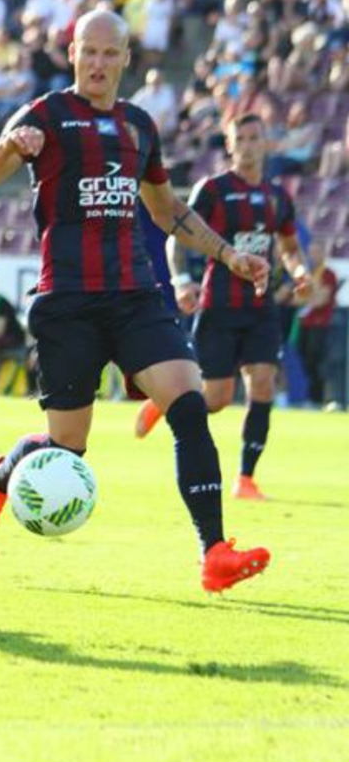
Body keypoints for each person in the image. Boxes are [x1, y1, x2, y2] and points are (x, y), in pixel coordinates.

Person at [0, 10, 272, 593]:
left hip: (135, 296)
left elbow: (166, 210)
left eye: (110, 52)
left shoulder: (139, 126)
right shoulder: (46, 114)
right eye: (89, 51)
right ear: (73, 54)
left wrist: (228, 255)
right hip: (68, 301)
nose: (98, 63)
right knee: (68, 448)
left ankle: (214, 552)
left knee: (189, 405)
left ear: (126, 58)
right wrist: (6, 147)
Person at [133, 115, 310, 501]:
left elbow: (290, 247)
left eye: (254, 137)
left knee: (262, 383)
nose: (247, 145)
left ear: (265, 143)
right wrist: (182, 281)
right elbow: (177, 235)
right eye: (239, 138)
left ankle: (246, 478)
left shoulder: (278, 197)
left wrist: (300, 273)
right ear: (229, 146)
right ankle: (165, 401)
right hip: (219, 305)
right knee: (215, 400)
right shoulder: (213, 189)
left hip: (261, 306)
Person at [296, 241, 340, 409]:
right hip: (305, 323)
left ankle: (319, 399)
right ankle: (312, 397)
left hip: (321, 323)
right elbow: (296, 299)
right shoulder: (308, 274)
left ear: (323, 253)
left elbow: (322, 299)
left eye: (316, 252)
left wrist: (309, 296)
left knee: (318, 361)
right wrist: (312, 295)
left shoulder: (328, 274)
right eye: (311, 252)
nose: (313, 256)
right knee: (305, 360)